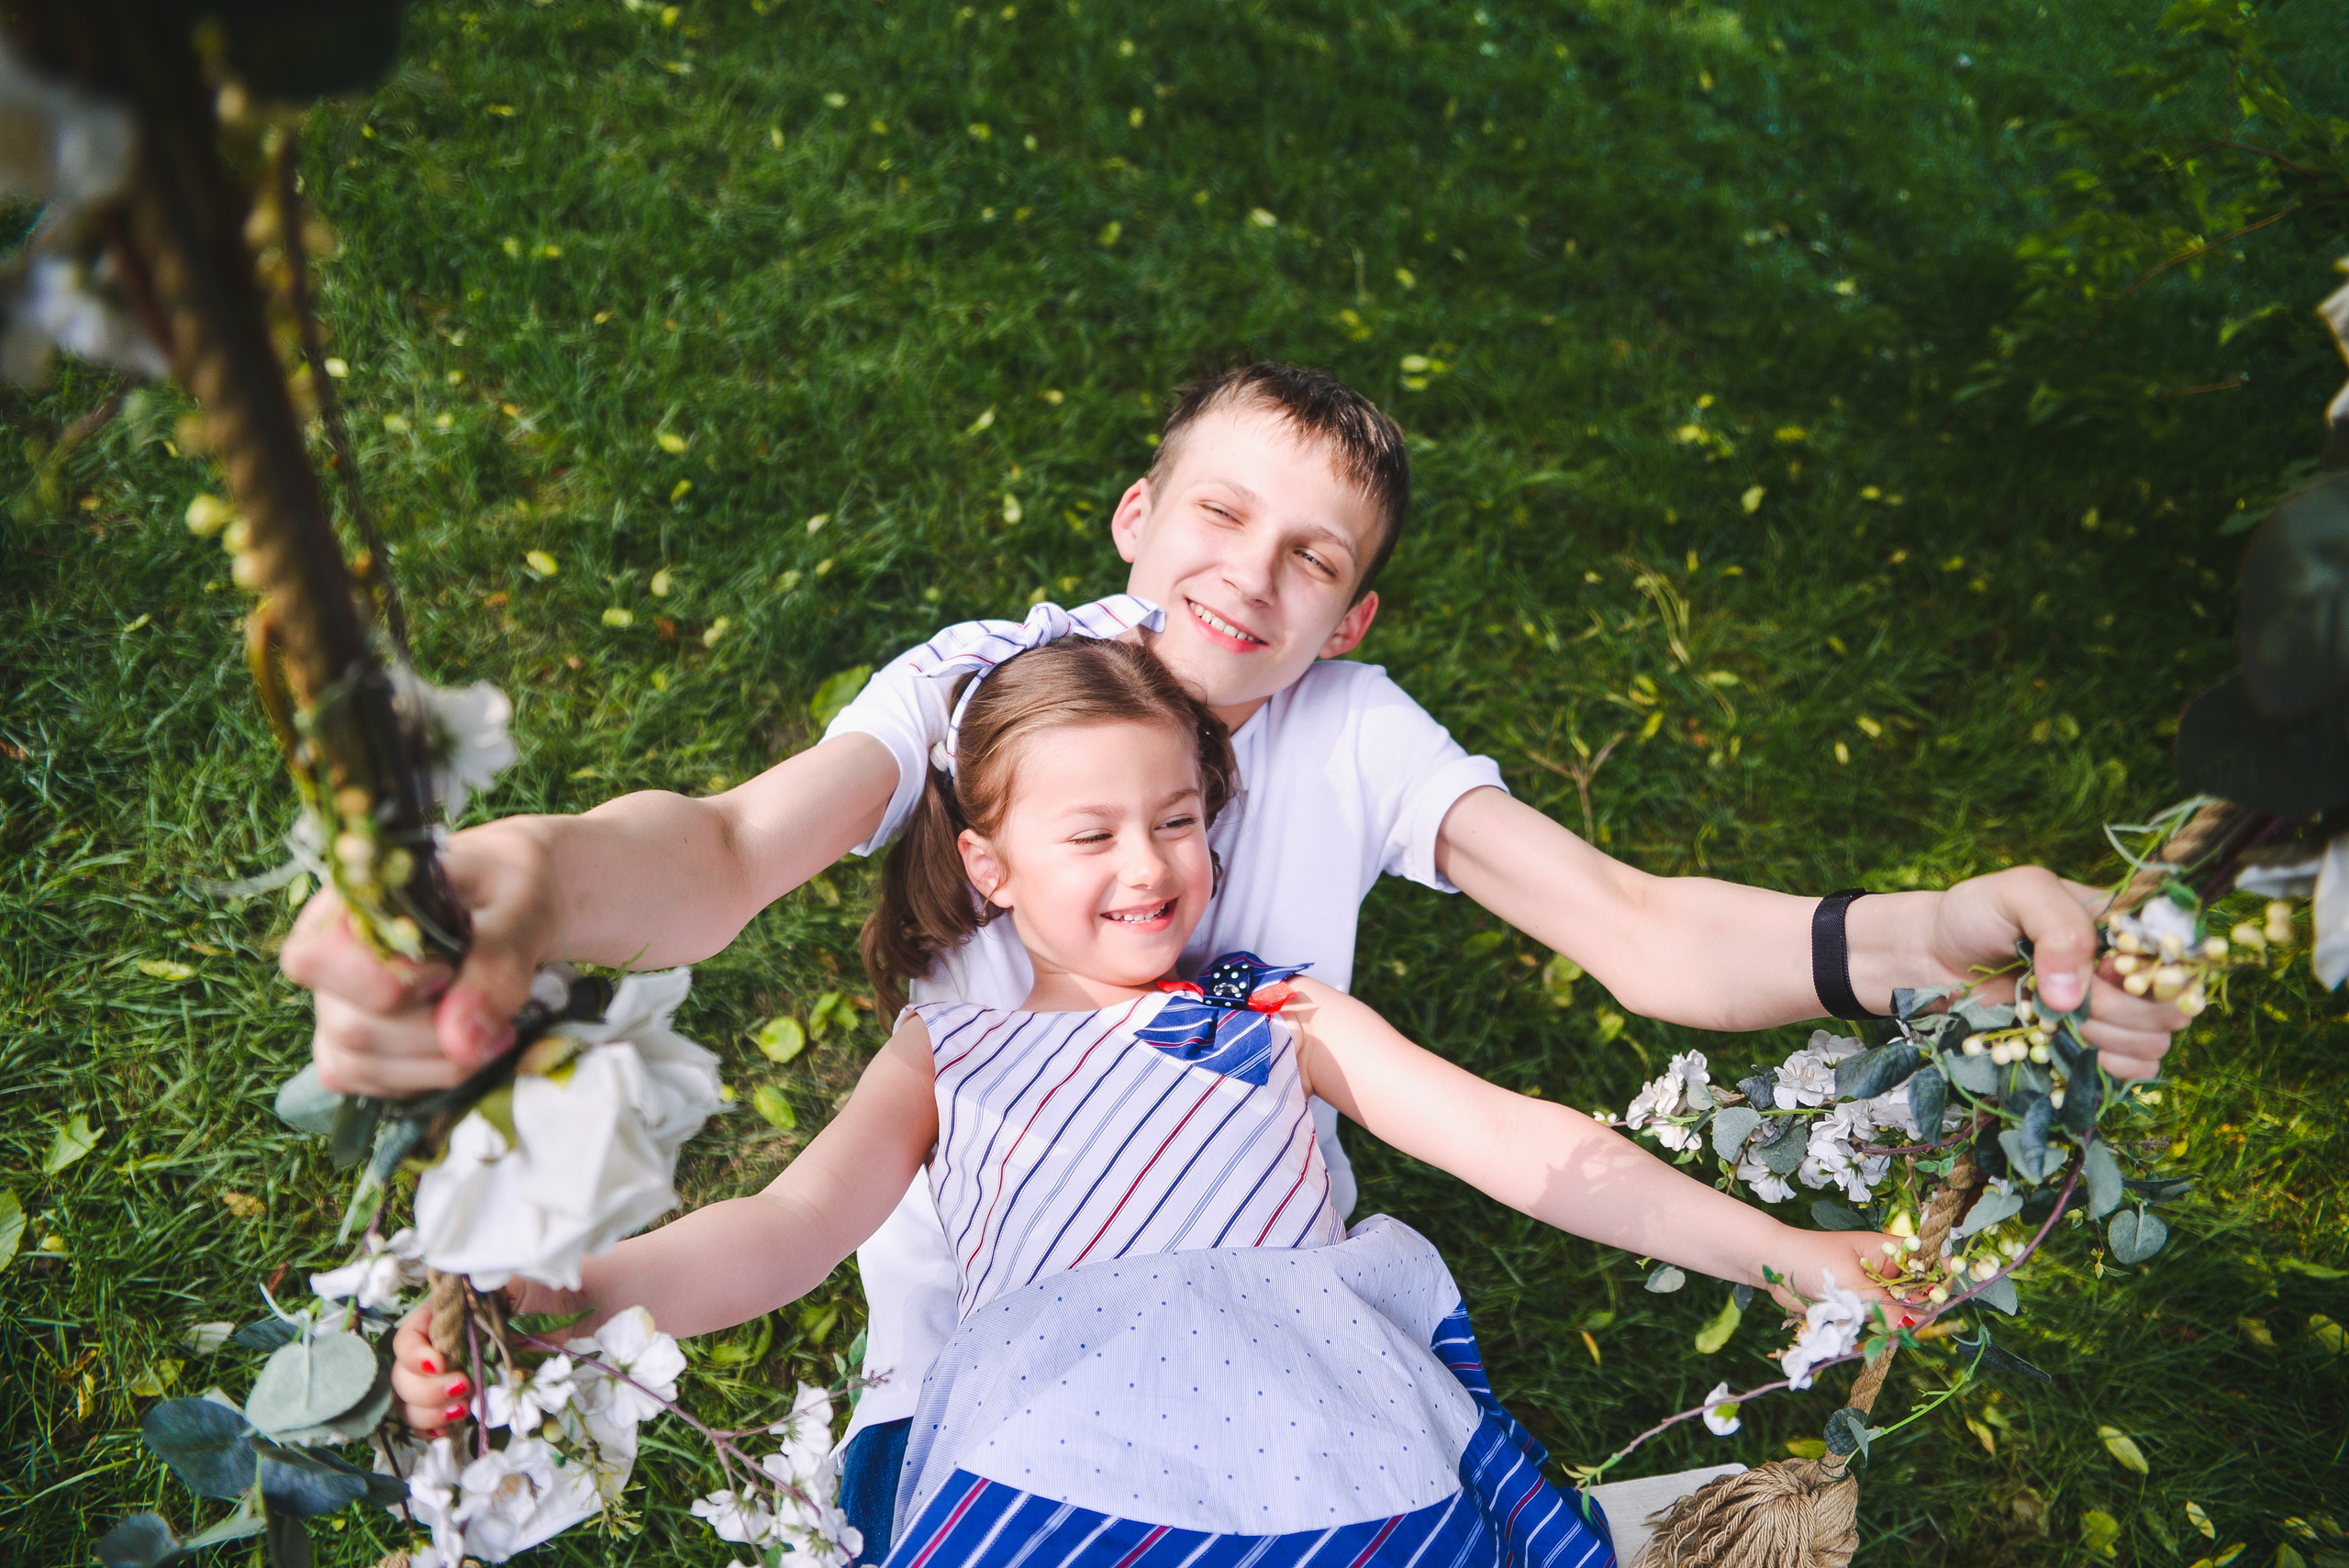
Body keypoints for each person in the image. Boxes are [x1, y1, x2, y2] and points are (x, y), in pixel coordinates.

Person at [291, 362, 2186, 1548]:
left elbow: (1628, 938)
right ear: (1136, 515)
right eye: (1217, 513)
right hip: (984, 1377)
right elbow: (714, 856)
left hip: (1294, 1339)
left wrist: (1920, 941)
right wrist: (502, 883)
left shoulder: (1343, 763)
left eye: (1309, 557)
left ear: (1347, 618)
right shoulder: (977, 697)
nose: (1245, 576)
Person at [389, 635, 1912, 1565]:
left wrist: (1795, 1252)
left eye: (1179, 820)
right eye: (1092, 832)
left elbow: (1534, 1146)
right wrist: (578, 1294)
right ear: (987, 867)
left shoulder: (1282, 1016)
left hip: (1317, 1428)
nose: (1149, 865)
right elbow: (788, 1228)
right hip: (1050, 1446)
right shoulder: (949, 1050)